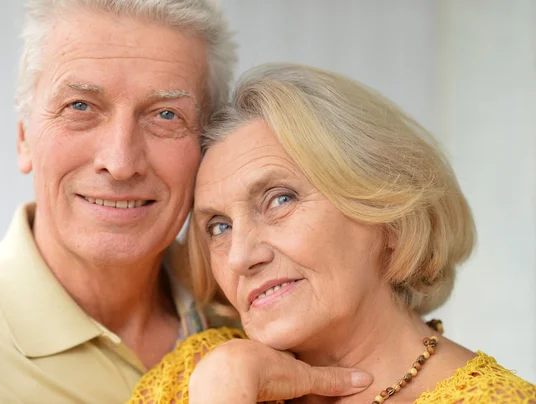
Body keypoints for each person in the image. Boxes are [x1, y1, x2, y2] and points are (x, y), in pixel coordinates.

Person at [0, 2, 372, 403]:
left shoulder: (271, 306)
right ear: (24, 137)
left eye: (166, 115)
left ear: (206, 149)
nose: (121, 162)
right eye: (81, 106)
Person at [129, 63, 536, 403]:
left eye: (280, 199)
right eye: (218, 227)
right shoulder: (198, 374)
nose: (239, 256)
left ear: (388, 216)